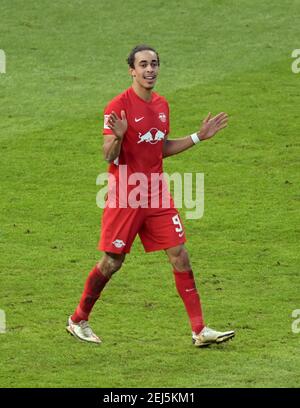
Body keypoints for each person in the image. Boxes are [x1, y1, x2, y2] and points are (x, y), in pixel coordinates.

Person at [66, 44, 235, 347]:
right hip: (126, 196)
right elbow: (108, 153)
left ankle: (199, 330)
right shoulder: (117, 106)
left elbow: (161, 147)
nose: (150, 70)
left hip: (156, 194)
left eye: (154, 64)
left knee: (180, 255)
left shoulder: (162, 105)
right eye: (143, 64)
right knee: (112, 262)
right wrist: (117, 136)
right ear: (131, 70)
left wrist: (198, 136)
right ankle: (78, 319)